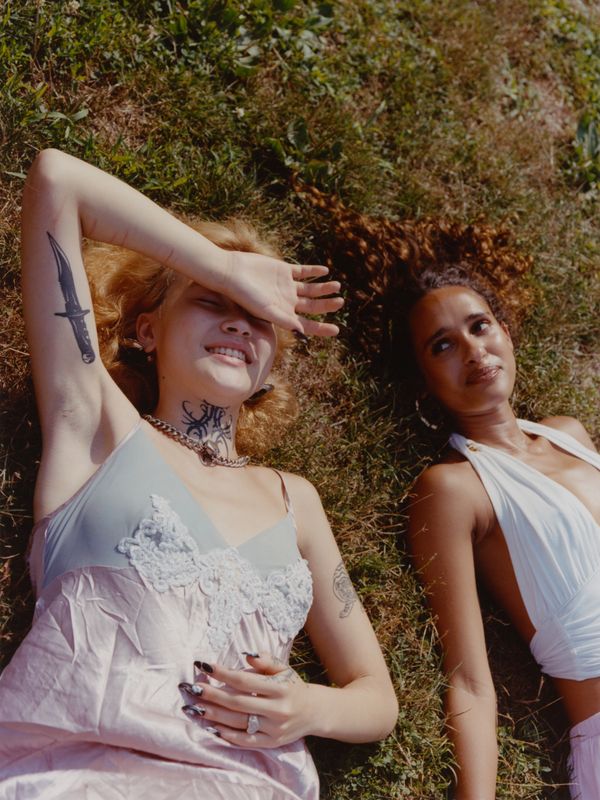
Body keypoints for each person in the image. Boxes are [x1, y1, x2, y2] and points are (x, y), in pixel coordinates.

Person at [0, 149, 398, 800]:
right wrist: (223, 264)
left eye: (260, 319)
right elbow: (56, 182)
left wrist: (309, 707)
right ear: (147, 331)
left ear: (268, 371)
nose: (239, 320)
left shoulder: (294, 501)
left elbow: (376, 696)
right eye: (212, 302)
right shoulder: (96, 426)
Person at [294, 185, 600, 799]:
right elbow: (469, 680)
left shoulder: (570, 435)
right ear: (423, 382)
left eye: (479, 326)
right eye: (443, 346)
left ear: (505, 332)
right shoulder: (453, 490)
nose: (473, 351)